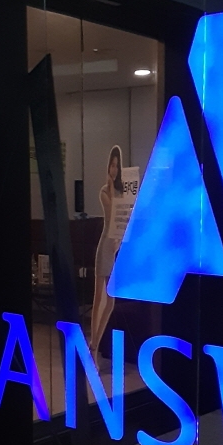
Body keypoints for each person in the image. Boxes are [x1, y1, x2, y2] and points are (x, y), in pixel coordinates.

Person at [90, 145, 123, 362]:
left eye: (117, 166)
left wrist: (120, 241)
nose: (114, 169)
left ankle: (95, 341)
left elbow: (122, 221)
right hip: (104, 247)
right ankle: (93, 346)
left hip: (116, 248)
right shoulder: (104, 192)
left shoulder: (123, 193)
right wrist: (111, 188)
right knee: (98, 298)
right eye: (112, 165)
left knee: (111, 302)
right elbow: (111, 216)